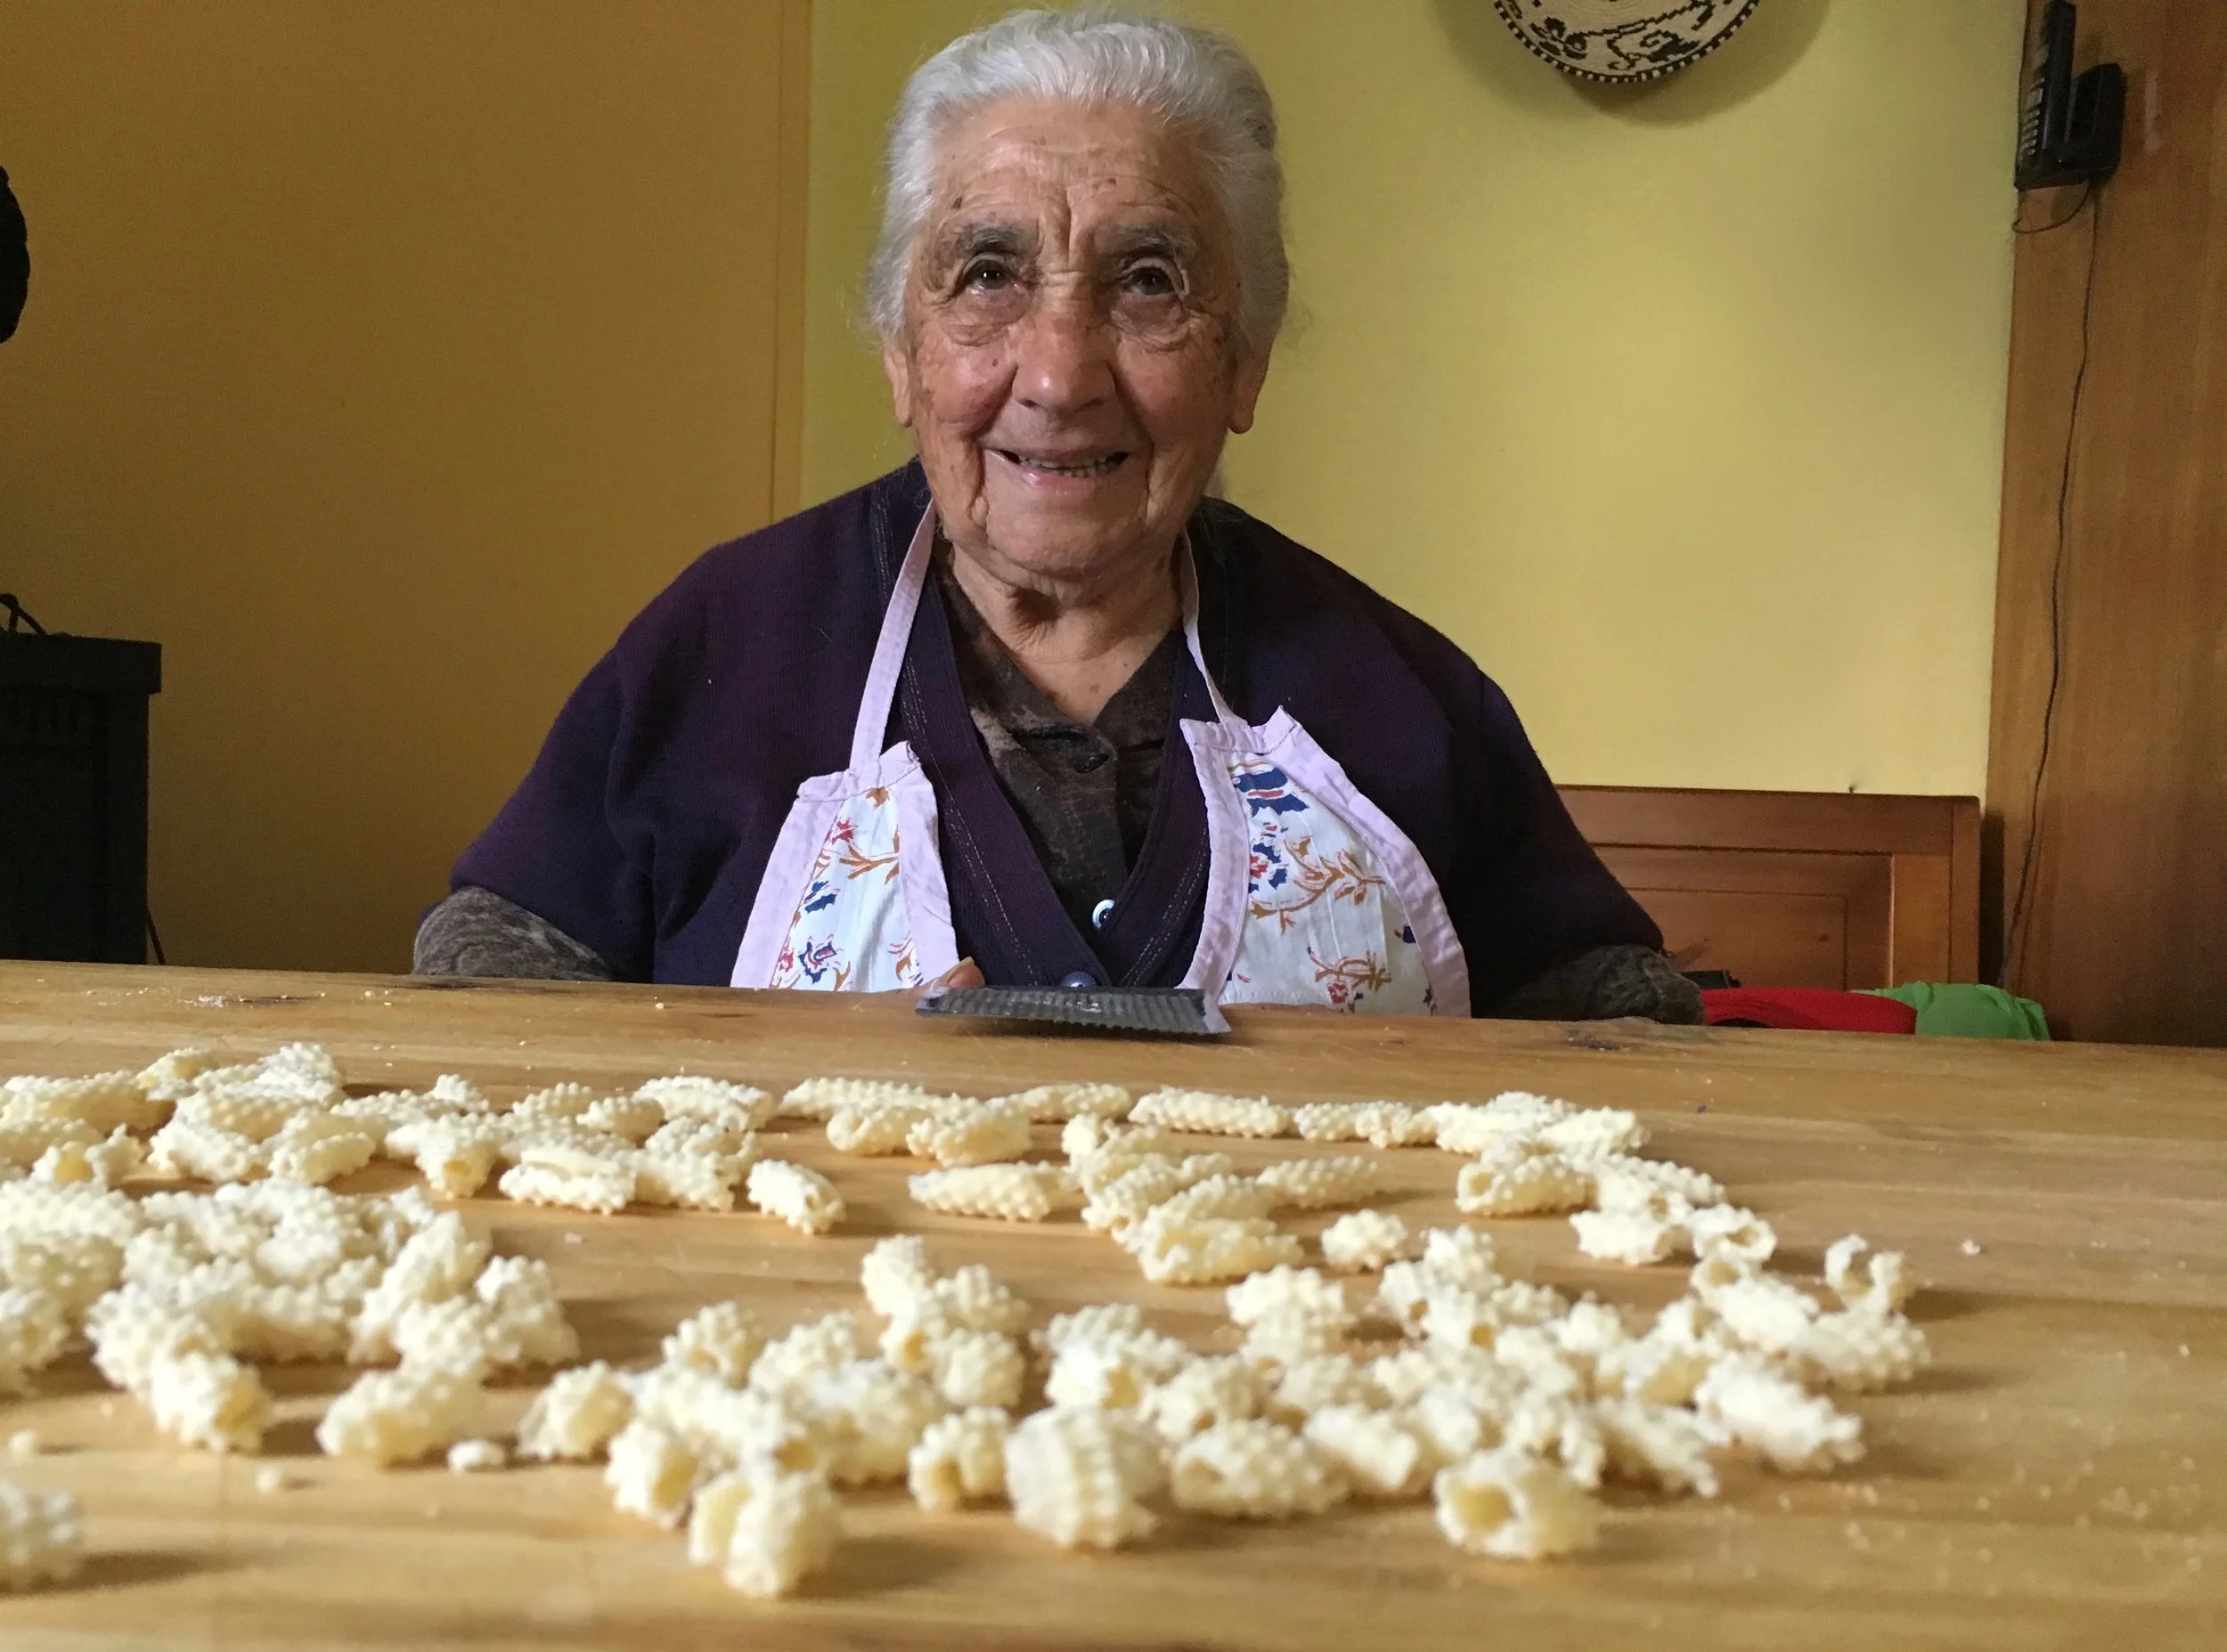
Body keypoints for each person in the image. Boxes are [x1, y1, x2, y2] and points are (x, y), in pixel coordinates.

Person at [417, 9, 1699, 1024]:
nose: (1060, 372)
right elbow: (485, 971)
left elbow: (1621, 1024)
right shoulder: (722, 645)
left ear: (1245, 360)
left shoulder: (1397, 693)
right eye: (987, 274)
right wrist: (764, 1084)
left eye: (1150, 282)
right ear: (902, 350)